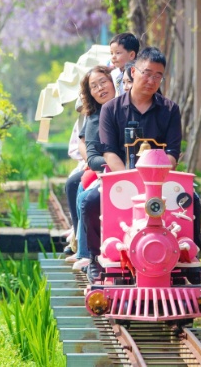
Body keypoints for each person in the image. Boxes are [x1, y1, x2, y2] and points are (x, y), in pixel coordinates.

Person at [81, 46, 201, 283]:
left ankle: (191, 256)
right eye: (147, 73)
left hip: (161, 180)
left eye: (158, 76)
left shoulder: (170, 110)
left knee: (192, 201)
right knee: (90, 202)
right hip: (121, 178)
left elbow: (172, 153)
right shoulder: (111, 110)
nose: (151, 80)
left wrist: (154, 182)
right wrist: (132, 181)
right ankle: (96, 257)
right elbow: (109, 152)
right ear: (133, 71)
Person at [69, 66, 117, 270]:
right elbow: (87, 145)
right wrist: (96, 161)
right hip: (102, 166)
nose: (100, 89)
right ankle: (84, 249)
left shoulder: (124, 108)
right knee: (80, 187)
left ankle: (87, 251)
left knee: (83, 191)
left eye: (103, 82)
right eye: (94, 86)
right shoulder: (94, 115)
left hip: (121, 167)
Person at [62, 103, 89, 257]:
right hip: (92, 162)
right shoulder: (88, 117)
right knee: (73, 184)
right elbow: (79, 145)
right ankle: (78, 239)